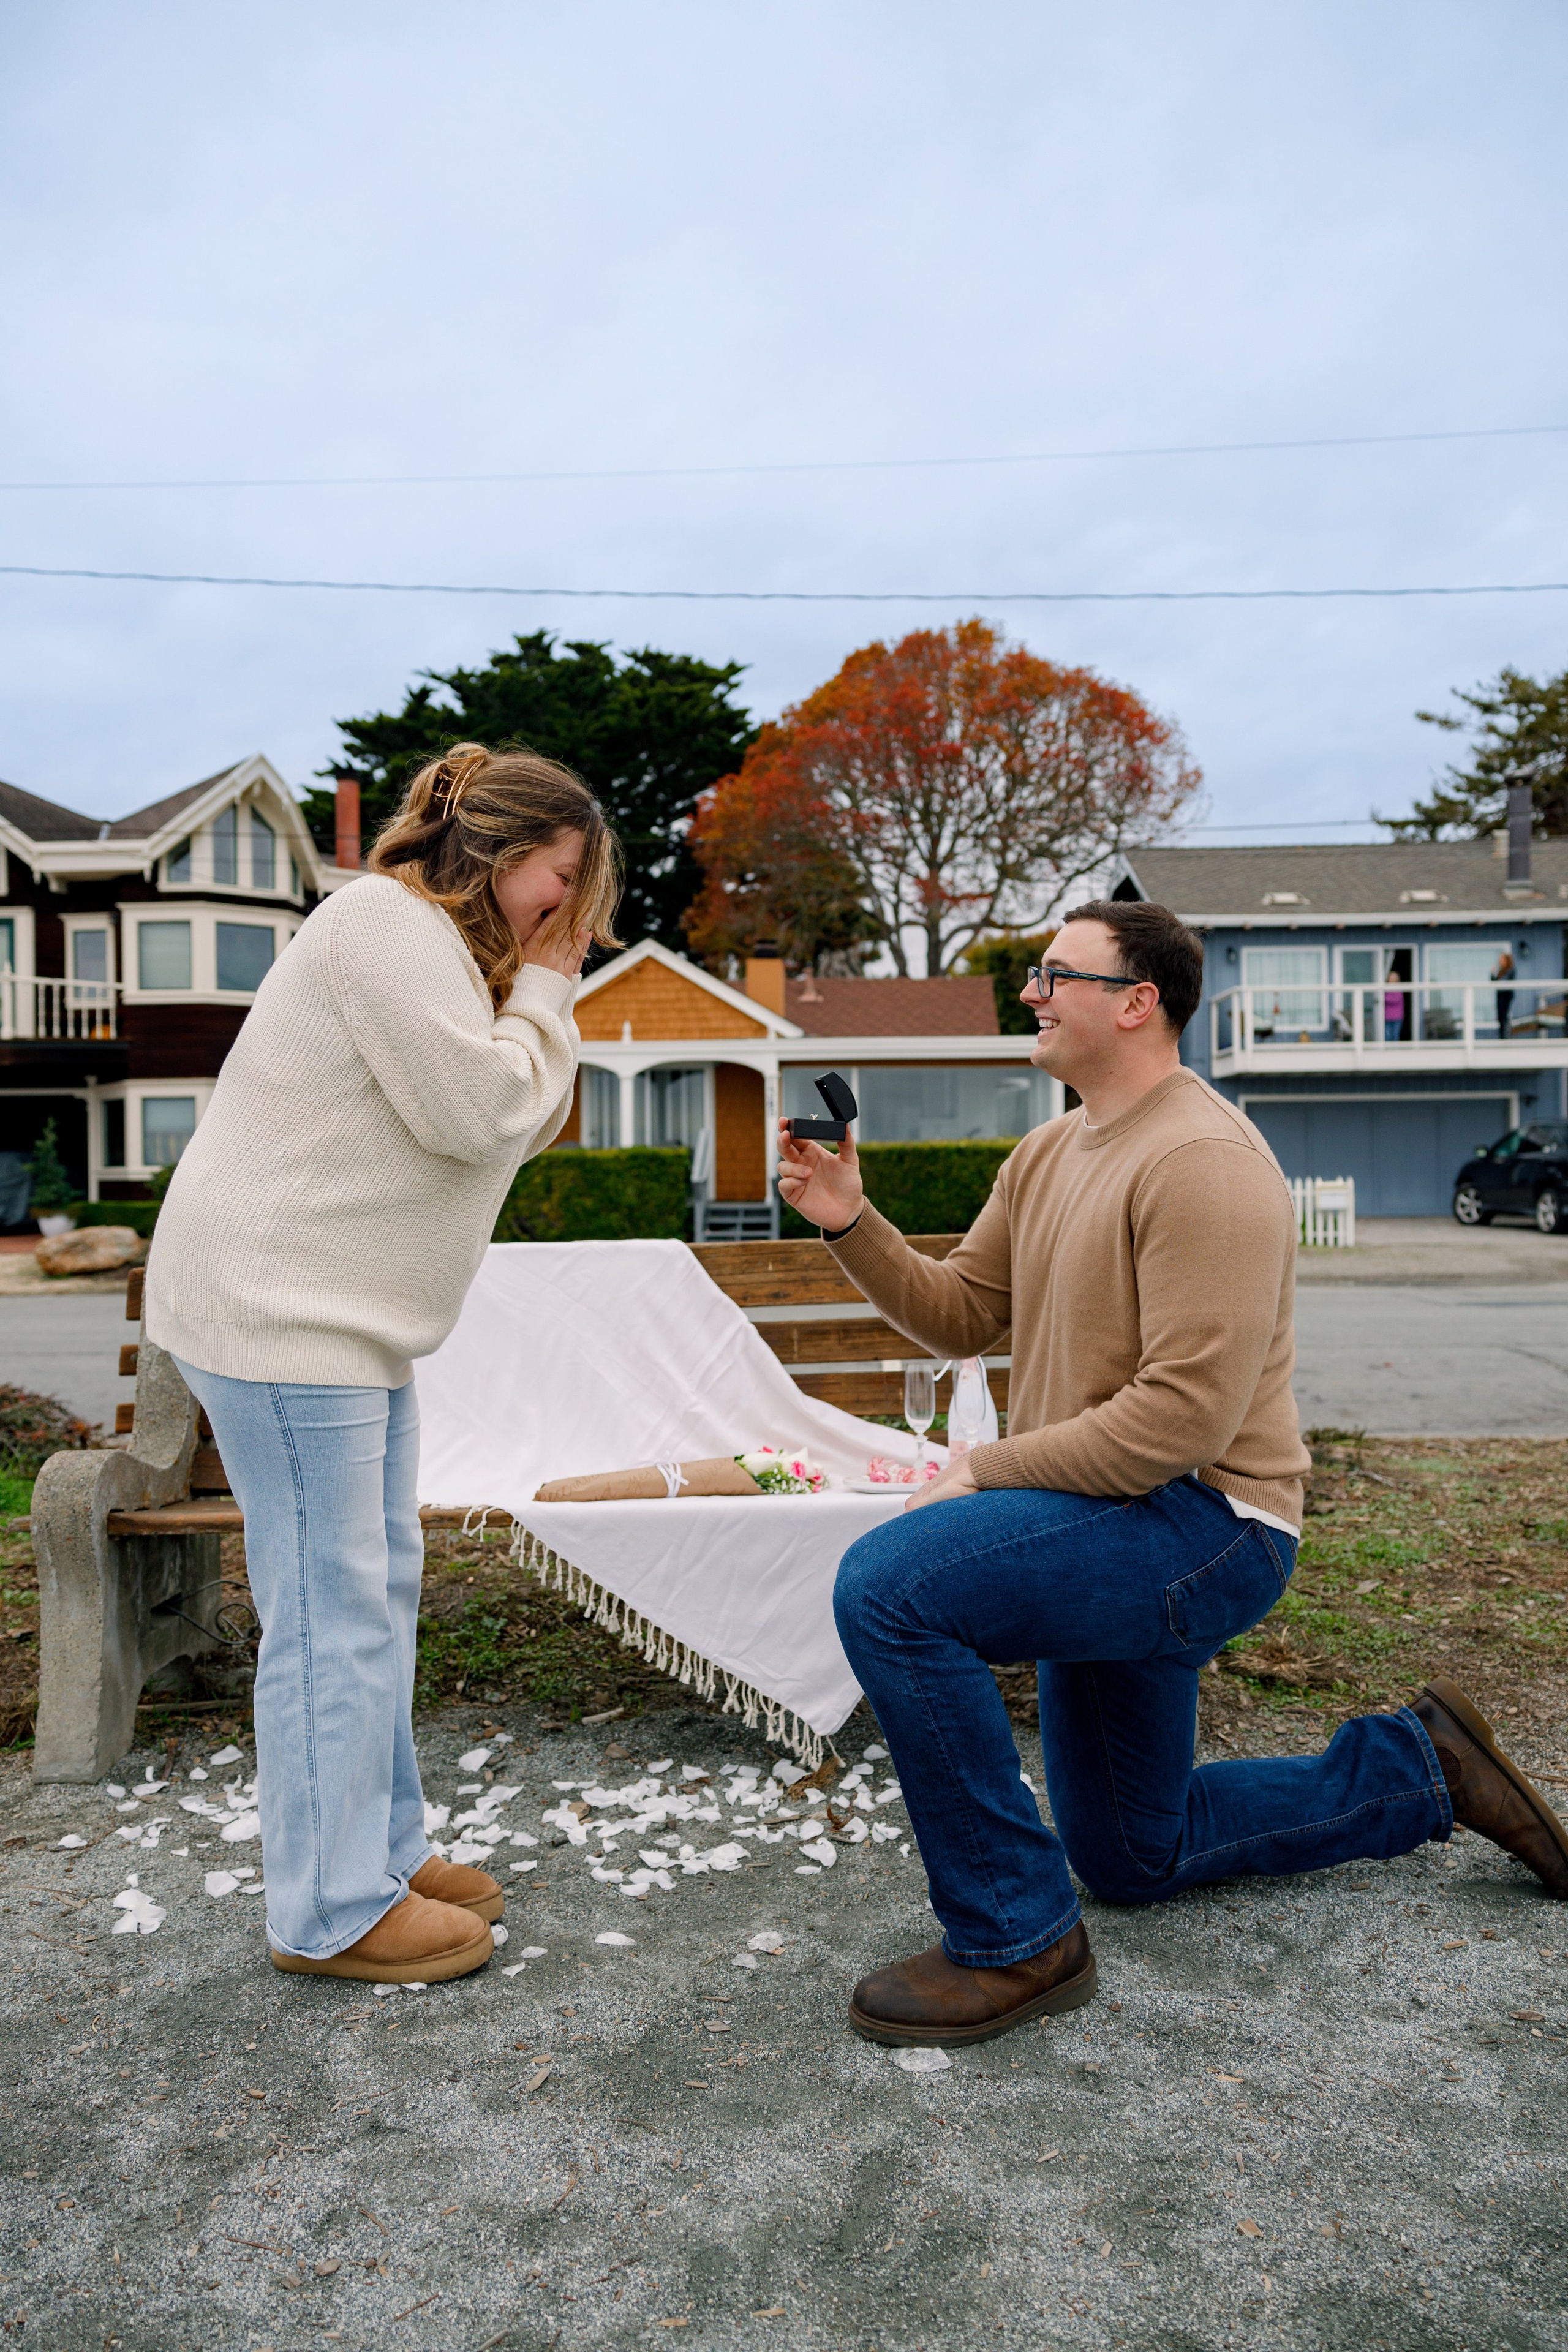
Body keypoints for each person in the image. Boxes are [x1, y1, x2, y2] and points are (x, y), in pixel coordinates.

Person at [777, 899, 1568, 2048]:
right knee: (1136, 1855)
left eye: (1055, 975)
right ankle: (1424, 1769)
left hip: (1205, 1523)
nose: (1031, 993)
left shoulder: (1207, 1163)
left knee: (890, 1589)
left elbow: (1179, 1421)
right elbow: (961, 1315)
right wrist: (852, 1219)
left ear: (1137, 1002)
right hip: (1101, 1514)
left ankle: (1015, 1937)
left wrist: (984, 1469)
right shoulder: (1051, 1148)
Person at [144, 743, 620, 1984]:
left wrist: (534, 995)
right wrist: (549, 991)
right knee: (330, 1612)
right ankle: (329, 1911)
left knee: (373, 1590)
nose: (563, 911)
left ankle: (380, 1851)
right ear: (506, 854)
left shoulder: (441, 954)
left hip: (340, 1320)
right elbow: (482, 1114)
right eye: (558, 878)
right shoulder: (384, 923)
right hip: (283, 1313)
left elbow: (519, 1116)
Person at [1492, 947, 1516, 1039]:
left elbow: (1503, 981)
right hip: (1500, 996)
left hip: (1506, 996)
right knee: (1501, 1017)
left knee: (1505, 1017)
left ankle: (1506, 1037)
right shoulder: (1500, 971)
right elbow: (1494, 982)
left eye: (1502, 959)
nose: (1500, 961)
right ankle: (1502, 1037)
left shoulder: (1510, 970)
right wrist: (1493, 973)